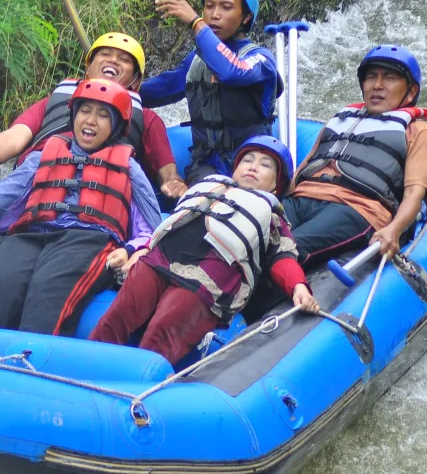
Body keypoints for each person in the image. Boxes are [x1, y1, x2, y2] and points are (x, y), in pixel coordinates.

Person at [0, 79, 160, 336]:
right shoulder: (41, 157)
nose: (91, 120)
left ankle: (28, 367)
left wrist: (129, 250)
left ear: (116, 126)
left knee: (47, 293)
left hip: (89, 240)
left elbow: (153, 230)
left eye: (103, 115)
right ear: (74, 115)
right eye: (85, 111)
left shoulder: (129, 169)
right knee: (0, 289)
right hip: (31, 236)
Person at [89, 136, 318, 365]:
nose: (253, 166)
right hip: (160, 262)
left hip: (205, 283)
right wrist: (140, 250)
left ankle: (134, 388)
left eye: (265, 165)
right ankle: (85, 369)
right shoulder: (208, 186)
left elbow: (282, 257)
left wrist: (298, 286)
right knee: (115, 319)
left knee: (161, 332)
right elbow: (167, 225)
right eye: (247, 160)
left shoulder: (271, 215)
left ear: (276, 184)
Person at [283, 44, 427, 265]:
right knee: (248, 239)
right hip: (301, 201)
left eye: (390, 78)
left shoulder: (418, 131)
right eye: (371, 77)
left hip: (356, 209)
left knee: (289, 248)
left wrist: (393, 230)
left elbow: (414, 193)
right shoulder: (342, 120)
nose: (378, 85)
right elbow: (302, 172)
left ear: (411, 91)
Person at [0, 33, 187, 198]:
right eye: (105, 54)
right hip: (37, 179)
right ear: (88, 69)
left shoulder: (146, 118)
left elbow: (167, 172)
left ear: (135, 81)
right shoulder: (55, 101)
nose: (113, 61)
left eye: (124, 60)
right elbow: (15, 136)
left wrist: (174, 184)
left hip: (96, 194)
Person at [142, 0, 283, 184]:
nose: (215, 14)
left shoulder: (261, 59)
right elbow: (163, 89)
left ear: (245, 17)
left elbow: (231, 72)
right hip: (205, 167)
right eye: (209, 6)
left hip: (251, 166)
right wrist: (117, 89)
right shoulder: (196, 60)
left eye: (226, 7)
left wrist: (196, 23)